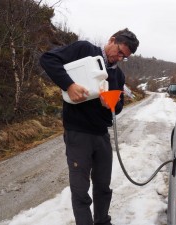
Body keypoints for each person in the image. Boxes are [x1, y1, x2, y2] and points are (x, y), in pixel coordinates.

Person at [39, 28, 139, 225]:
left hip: (101, 135)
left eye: (124, 57)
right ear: (111, 40)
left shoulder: (117, 76)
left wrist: (109, 103)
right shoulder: (84, 50)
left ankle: (103, 221)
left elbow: (117, 108)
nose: (119, 58)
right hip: (78, 133)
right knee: (80, 190)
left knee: (103, 186)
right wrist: (69, 85)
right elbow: (48, 59)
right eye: (119, 52)